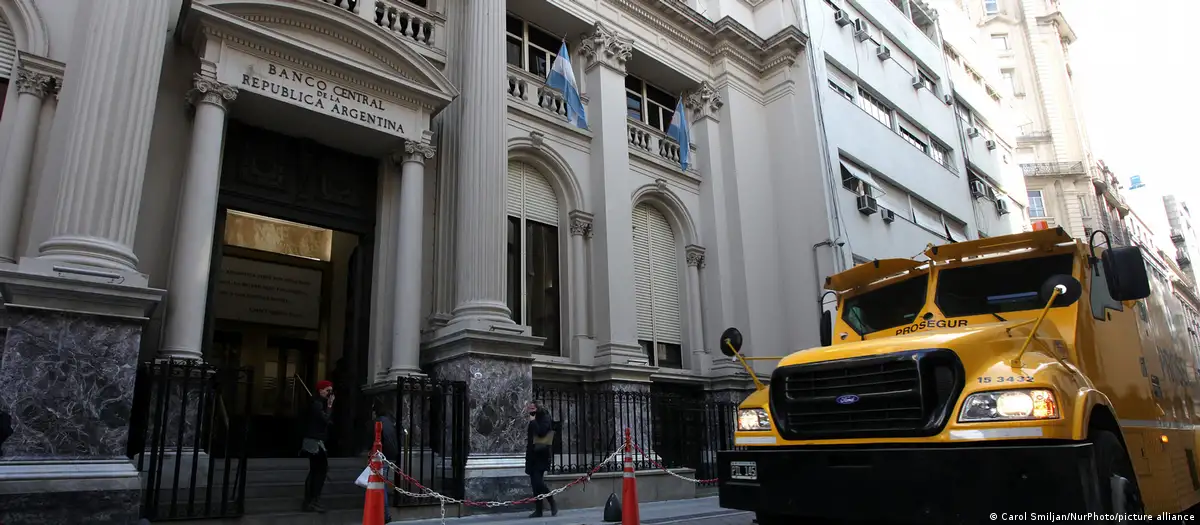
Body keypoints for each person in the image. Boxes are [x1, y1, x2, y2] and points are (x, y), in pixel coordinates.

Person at [301, 380, 334, 513]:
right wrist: (330, 405)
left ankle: (310, 501)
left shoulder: (318, 403)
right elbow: (325, 419)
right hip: (314, 441)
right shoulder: (317, 404)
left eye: (330, 391)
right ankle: (312, 500)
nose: (329, 393)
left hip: (315, 440)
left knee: (316, 470)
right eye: (327, 390)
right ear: (320, 390)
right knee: (319, 470)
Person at [524, 401, 557, 518]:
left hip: (541, 456)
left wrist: (533, 422)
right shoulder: (533, 418)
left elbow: (541, 432)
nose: (530, 410)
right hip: (532, 456)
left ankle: (552, 501)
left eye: (532, 408)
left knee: (539, 482)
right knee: (534, 485)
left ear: (538, 408)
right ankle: (538, 510)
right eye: (529, 408)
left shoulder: (545, 417)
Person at [371, 400, 400, 523]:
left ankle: (385, 514)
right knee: (381, 483)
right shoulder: (389, 421)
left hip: (383, 456)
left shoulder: (378, 422)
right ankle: (382, 512)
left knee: (381, 485)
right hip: (391, 455)